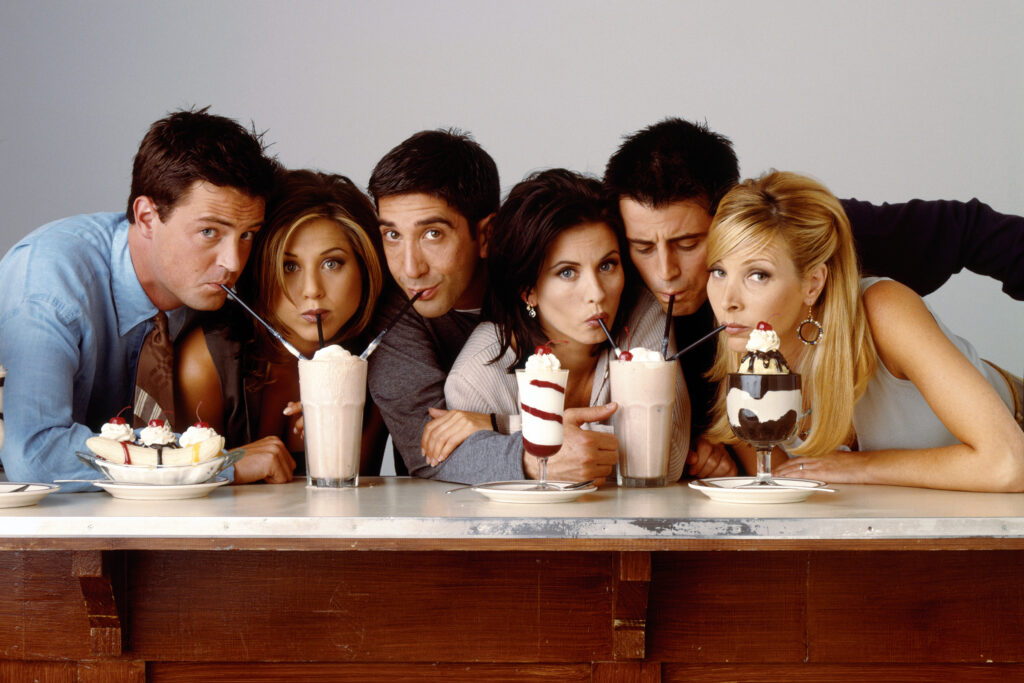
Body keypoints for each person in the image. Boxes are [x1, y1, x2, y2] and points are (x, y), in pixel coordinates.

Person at [603, 116, 1024, 476]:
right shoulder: (639, 295)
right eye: (642, 248)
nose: (665, 273)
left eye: (690, 243)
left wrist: (856, 470)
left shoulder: (815, 236)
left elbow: (971, 230)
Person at [0, 108, 284, 489]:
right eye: (209, 232)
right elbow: (35, 455)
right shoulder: (50, 286)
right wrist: (215, 466)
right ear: (147, 217)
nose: (233, 262)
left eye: (248, 234)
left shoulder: (212, 284)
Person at [702, 170, 1024, 492]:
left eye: (758, 275)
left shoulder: (884, 310)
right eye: (718, 271)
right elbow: (785, 477)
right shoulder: (740, 348)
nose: (727, 300)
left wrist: (860, 466)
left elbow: (1008, 463)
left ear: (812, 284)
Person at [443, 169, 689, 484]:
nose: (598, 293)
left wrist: (500, 426)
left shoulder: (642, 315)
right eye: (567, 273)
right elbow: (472, 469)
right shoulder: (481, 371)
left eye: (607, 265)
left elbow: (668, 456)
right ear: (528, 289)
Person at [175, 169, 385, 482]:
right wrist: (229, 464)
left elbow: (357, 499)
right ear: (260, 269)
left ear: (365, 268)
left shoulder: (381, 360)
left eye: (332, 263)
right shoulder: (206, 360)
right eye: (289, 266)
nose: (312, 289)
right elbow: (179, 491)